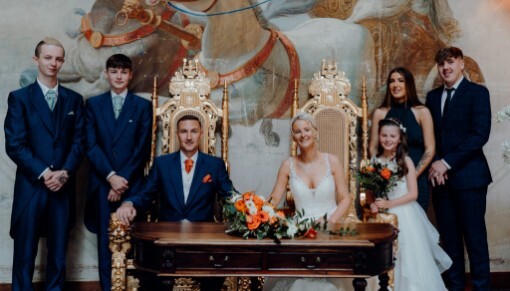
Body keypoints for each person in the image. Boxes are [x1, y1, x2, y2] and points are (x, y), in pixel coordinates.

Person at [116, 114, 233, 290]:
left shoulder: (214, 165)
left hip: (203, 239)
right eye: (184, 131)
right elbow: (146, 194)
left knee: (213, 280)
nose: (189, 137)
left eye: (194, 131)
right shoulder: (162, 164)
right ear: (177, 134)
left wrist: (248, 207)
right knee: (155, 280)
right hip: (167, 238)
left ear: (201, 134)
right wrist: (129, 204)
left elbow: (229, 195)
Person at [4, 37, 85, 290]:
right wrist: (44, 172)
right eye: (48, 58)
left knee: (59, 254)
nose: (53, 63)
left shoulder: (74, 100)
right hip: (31, 187)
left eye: (58, 58)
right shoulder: (20, 98)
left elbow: (79, 142)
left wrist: (64, 173)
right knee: (25, 253)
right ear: (36, 60)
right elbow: (15, 144)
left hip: (62, 186)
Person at [264, 112, 357, 291]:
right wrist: (255, 208)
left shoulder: (332, 161)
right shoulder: (287, 165)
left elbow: (346, 198)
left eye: (307, 129)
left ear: (315, 132)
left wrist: (329, 222)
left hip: (331, 228)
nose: (303, 134)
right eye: (298, 131)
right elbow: (274, 199)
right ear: (294, 137)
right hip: (301, 231)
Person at [84, 54, 152, 290]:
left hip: (131, 185)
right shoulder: (93, 105)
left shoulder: (143, 106)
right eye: (114, 71)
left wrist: (121, 181)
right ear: (106, 74)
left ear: (130, 75)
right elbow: (90, 145)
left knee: (133, 242)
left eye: (124, 71)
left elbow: (142, 148)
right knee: (105, 244)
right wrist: (111, 177)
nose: (119, 76)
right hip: (102, 185)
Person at [425, 47, 492, 291]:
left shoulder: (477, 93)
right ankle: (454, 287)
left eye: (451, 62)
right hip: (441, 183)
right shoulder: (432, 98)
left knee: (475, 240)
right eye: (441, 64)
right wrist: (436, 165)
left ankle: (482, 287)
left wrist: (447, 162)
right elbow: (431, 137)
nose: (446, 68)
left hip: (471, 179)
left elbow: (479, 135)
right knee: (450, 242)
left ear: (461, 64)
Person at [370, 118, 452, 290]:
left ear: (399, 138)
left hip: (405, 214)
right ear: (379, 137)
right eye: (384, 135)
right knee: (383, 257)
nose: (388, 139)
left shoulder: (405, 161)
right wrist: (373, 204)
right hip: (382, 216)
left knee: (406, 257)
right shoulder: (374, 162)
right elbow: (370, 192)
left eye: (392, 136)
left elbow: (413, 194)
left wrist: (389, 202)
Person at [369, 67, 435, 210]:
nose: (395, 85)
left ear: (408, 84)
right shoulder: (380, 113)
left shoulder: (422, 112)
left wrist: (412, 176)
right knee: (387, 225)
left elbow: (430, 149)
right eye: (392, 81)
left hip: (417, 178)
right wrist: (382, 174)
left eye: (400, 80)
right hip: (387, 180)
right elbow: (373, 147)